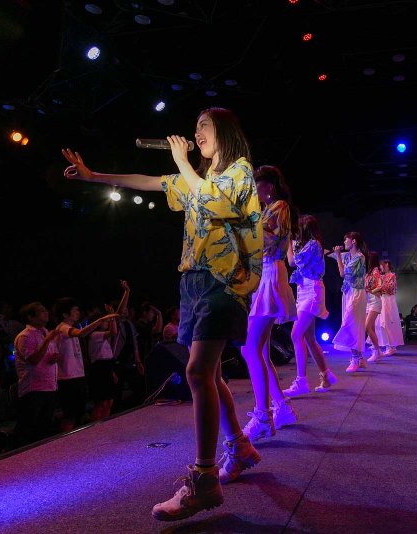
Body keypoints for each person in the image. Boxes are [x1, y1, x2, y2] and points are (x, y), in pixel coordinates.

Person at [61, 106, 263, 521]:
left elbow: (215, 202)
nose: (196, 133)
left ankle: (204, 480)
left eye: (204, 126)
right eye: (195, 127)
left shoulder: (239, 171)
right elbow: (149, 181)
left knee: (197, 373)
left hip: (222, 280)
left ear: (224, 131)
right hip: (193, 281)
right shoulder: (196, 177)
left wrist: (183, 161)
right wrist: (93, 176)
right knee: (209, 375)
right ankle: (239, 446)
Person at [239, 165, 298, 443]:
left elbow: (261, 240)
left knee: (250, 348)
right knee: (259, 350)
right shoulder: (269, 209)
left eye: (257, 185)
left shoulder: (279, 207)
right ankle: (282, 408)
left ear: (269, 187)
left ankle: (263, 417)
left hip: (270, 274)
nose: (253, 190)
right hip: (265, 274)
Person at [282, 214, 338, 395]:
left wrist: (289, 242)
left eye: (298, 228)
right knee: (309, 339)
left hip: (312, 290)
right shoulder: (306, 244)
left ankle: (301, 382)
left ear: (305, 228)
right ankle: (326, 376)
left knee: (295, 335)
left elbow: (292, 261)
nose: (295, 231)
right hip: (303, 290)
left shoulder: (314, 244)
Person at [52, 297, 119, 432]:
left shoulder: (70, 328)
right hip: (68, 377)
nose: (78, 312)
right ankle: (66, 441)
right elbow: (81, 333)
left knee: (77, 413)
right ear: (65, 314)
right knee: (71, 415)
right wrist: (100, 320)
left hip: (77, 375)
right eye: (75, 310)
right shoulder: (63, 328)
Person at [13, 302, 61, 445]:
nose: (46, 313)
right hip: (33, 389)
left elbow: (48, 355)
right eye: (41, 311)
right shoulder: (25, 336)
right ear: (30, 317)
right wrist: (47, 340)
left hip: (49, 386)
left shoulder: (45, 332)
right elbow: (33, 360)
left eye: (45, 310)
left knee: (45, 428)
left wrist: (55, 357)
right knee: (30, 430)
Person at [329, 232, 368, 372]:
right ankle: (360, 358)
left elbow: (343, 273)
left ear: (354, 241)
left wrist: (338, 256)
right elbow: (330, 254)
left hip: (357, 292)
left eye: (346, 239)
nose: (344, 241)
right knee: (354, 325)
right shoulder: (347, 255)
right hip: (347, 292)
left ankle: (355, 358)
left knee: (350, 324)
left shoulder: (359, 257)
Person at [375, 259, 404, 356]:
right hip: (383, 300)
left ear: (386, 265)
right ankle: (388, 345)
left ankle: (391, 346)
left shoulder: (392, 275)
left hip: (389, 300)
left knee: (388, 322)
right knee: (382, 323)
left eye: (381, 265)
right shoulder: (381, 276)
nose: (380, 267)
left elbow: (390, 288)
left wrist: (379, 288)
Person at [364, 251, 385, 362]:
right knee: (370, 328)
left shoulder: (376, 271)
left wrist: (371, 291)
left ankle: (377, 351)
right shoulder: (368, 272)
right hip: (368, 301)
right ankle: (377, 351)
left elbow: (381, 286)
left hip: (375, 301)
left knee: (367, 327)